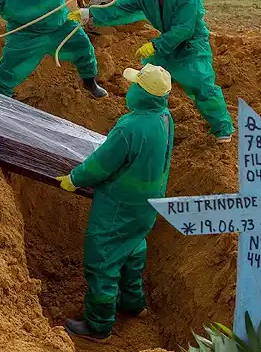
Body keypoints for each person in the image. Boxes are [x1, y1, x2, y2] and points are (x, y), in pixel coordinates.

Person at [56, 64, 175, 343]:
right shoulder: (165, 117)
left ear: (143, 93)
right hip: (148, 204)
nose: (130, 88)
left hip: (119, 204)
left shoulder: (130, 126)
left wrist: (75, 178)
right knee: (133, 249)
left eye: (135, 85)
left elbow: (101, 164)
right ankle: (133, 304)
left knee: (103, 259)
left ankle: (99, 325)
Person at [69, 0, 235, 143]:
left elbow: (184, 28)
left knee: (201, 83)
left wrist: (155, 45)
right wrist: (89, 13)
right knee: (147, 78)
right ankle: (144, 119)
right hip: (166, 43)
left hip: (192, 44)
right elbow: (124, 6)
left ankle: (222, 128)